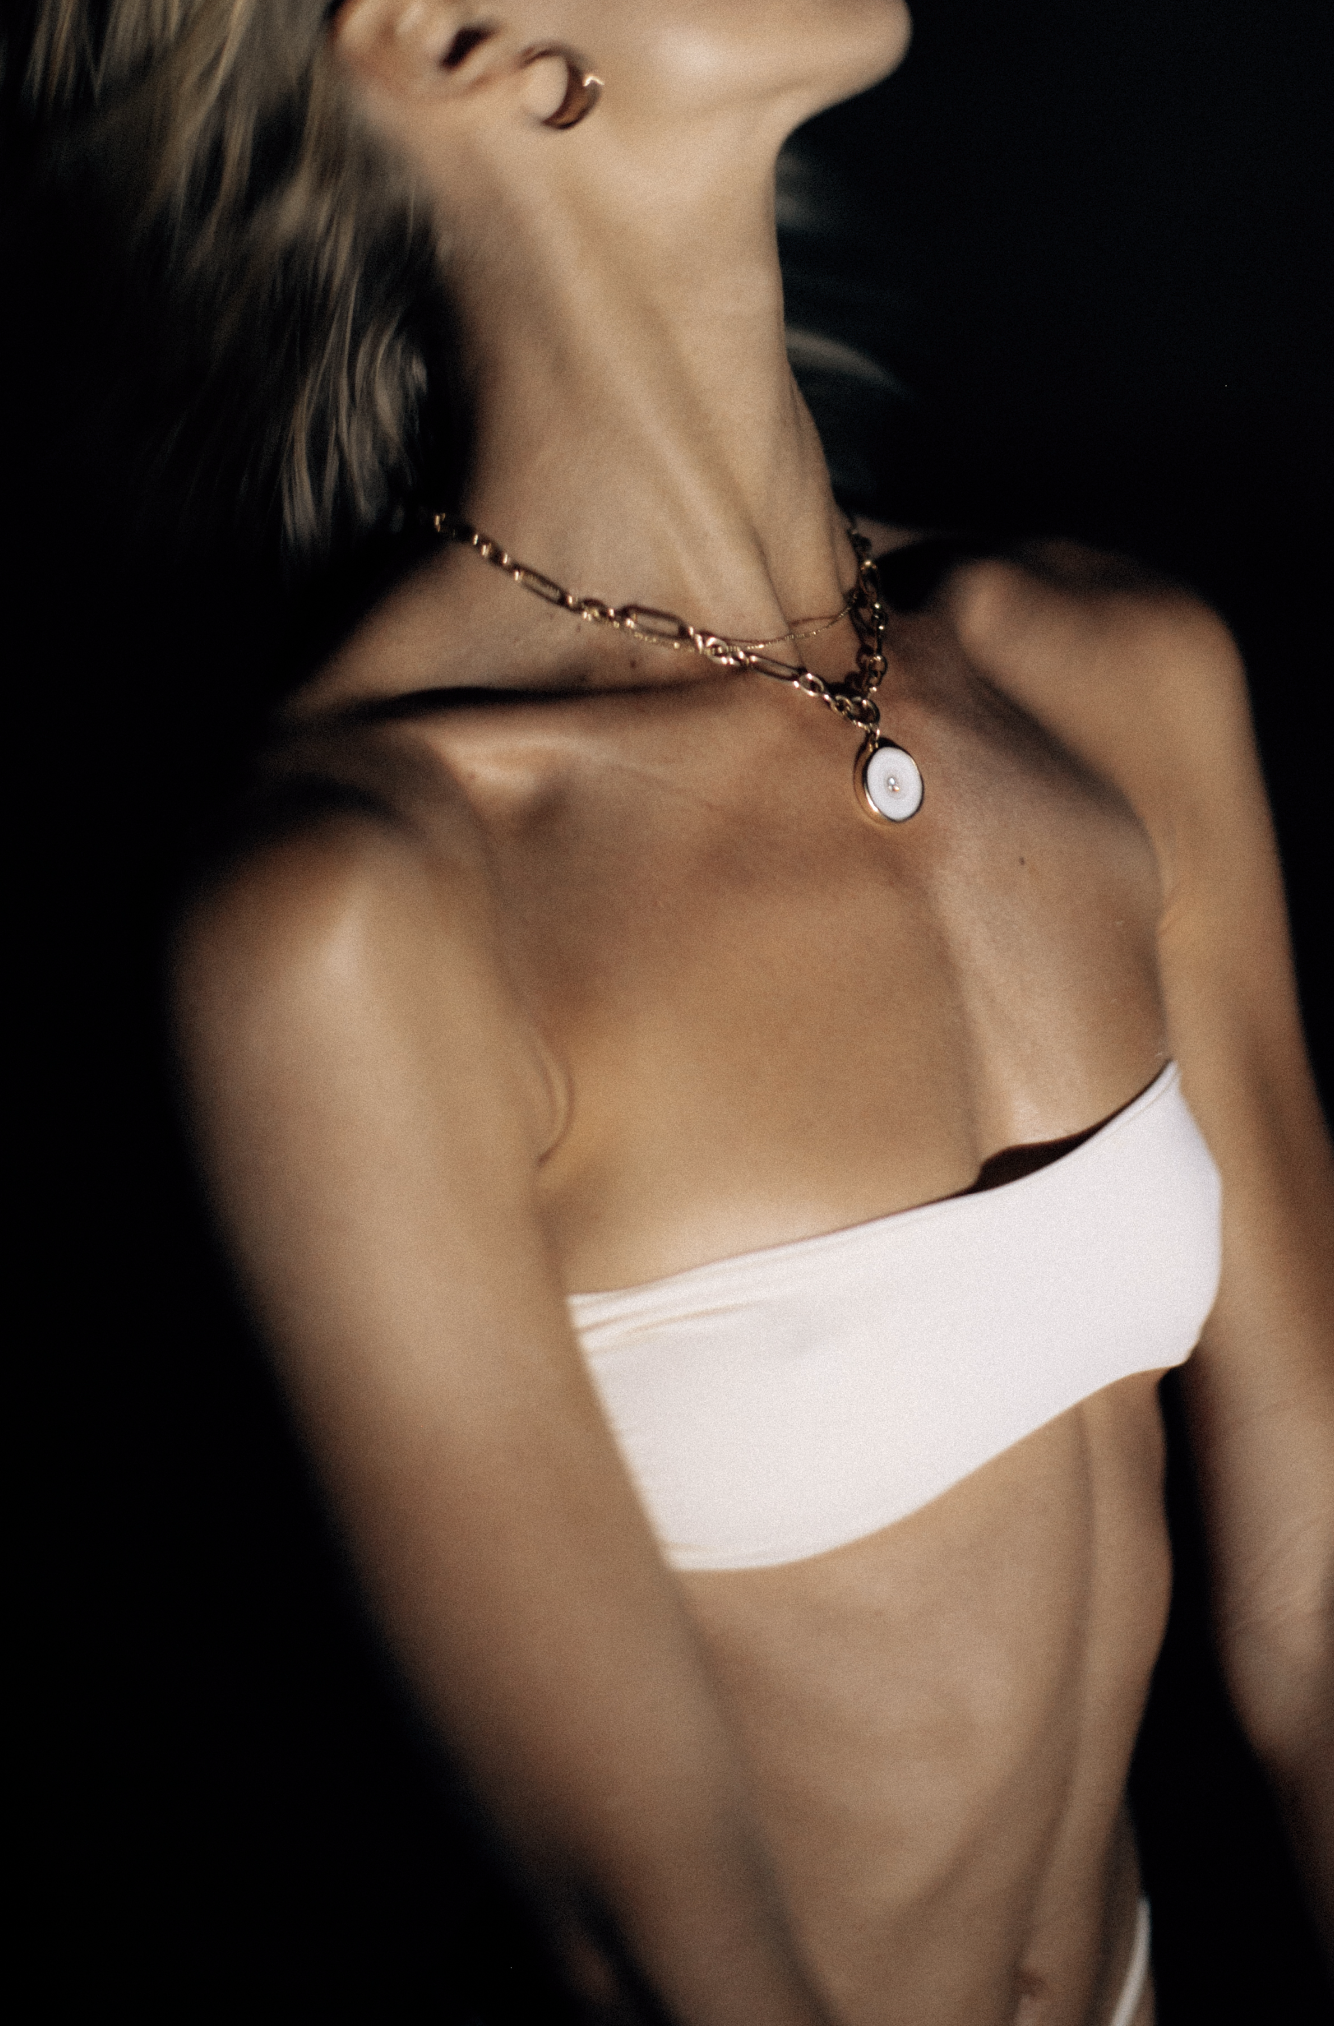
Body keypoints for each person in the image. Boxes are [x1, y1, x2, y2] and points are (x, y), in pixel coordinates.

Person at [25, 3, 1334, 2021]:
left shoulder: (1111, 680)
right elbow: (650, 1941)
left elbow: (1313, 1602)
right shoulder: (371, 911)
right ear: (458, 40)